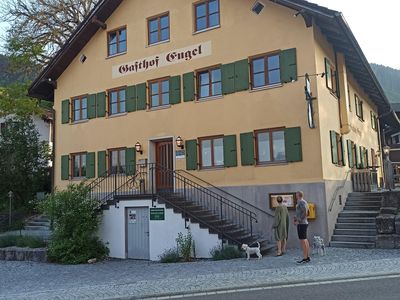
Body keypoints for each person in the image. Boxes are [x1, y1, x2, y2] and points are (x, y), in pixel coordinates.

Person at [294, 191, 310, 263]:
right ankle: (307, 256)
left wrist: (299, 220)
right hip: (304, 223)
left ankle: (305, 257)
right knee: (304, 240)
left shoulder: (301, 202)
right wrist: (296, 218)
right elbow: (307, 212)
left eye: (296, 195)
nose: (295, 196)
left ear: (298, 195)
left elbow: (305, 212)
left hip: (302, 224)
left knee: (303, 240)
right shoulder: (304, 202)